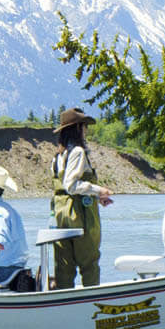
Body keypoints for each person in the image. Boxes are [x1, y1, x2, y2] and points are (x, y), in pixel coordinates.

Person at [50, 108, 114, 288]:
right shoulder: (78, 151)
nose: (86, 130)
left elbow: (62, 187)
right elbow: (72, 185)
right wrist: (99, 190)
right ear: (77, 128)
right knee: (89, 263)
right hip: (80, 215)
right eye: (84, 126)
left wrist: (96, 196)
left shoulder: (58, 156)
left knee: (64, 266)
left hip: (59, 215)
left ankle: (63, 305)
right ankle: (92, 303)